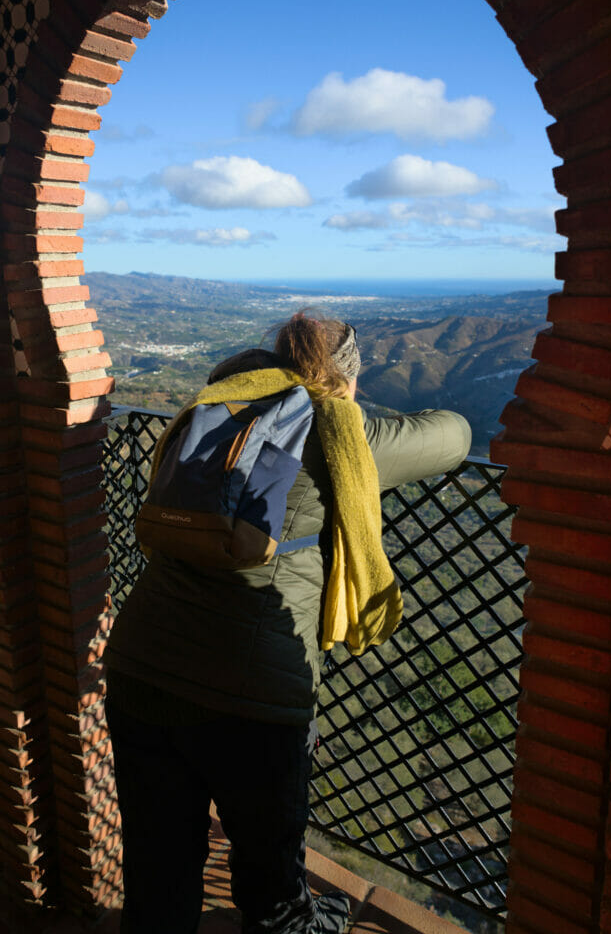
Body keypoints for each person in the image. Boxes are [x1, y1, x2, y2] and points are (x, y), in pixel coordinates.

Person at [104, 312, 471, 934]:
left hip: (140, 666)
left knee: (157, 867)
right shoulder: (336, 435)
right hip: (252, 697)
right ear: (345, 378)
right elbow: (455, 436)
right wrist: (351, 409)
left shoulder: (211, 408)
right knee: (269, 873)